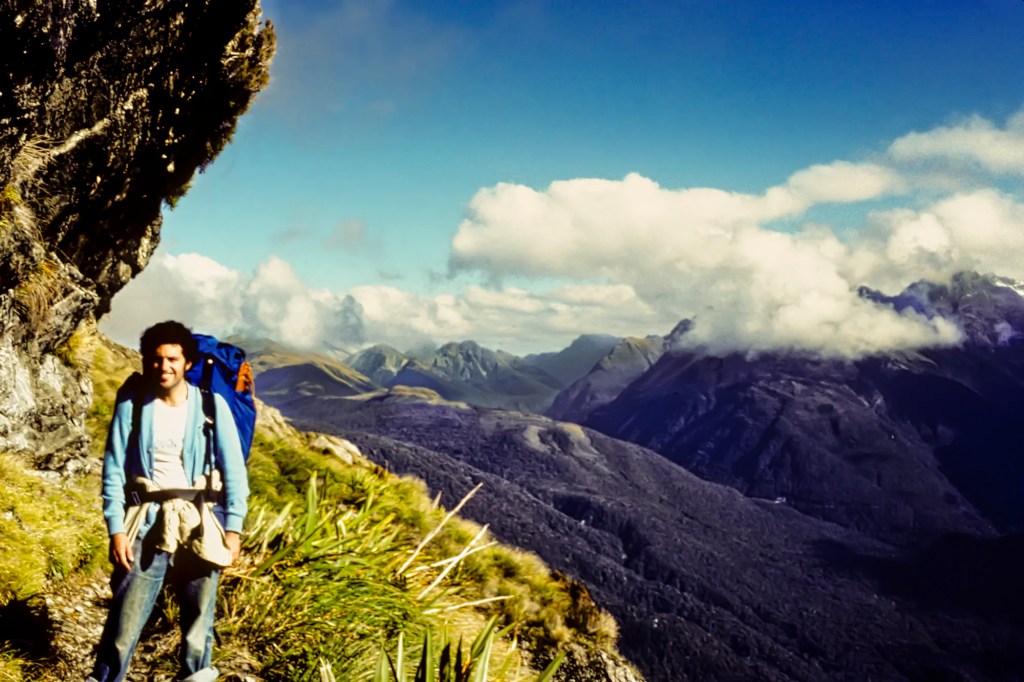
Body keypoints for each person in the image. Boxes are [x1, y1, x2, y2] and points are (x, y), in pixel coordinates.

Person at [88, 321, 249, 682]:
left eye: (173, 359)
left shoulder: (212, 405)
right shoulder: (133, 403)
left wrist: (234, 528)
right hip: (146, 521)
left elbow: (235, 471)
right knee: (123, 625)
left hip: (202, 522)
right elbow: (113, 468)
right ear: (147, 361)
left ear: (188, 363)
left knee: (197, 627)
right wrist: (117, 530)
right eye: (157, 359)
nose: (164, 367)